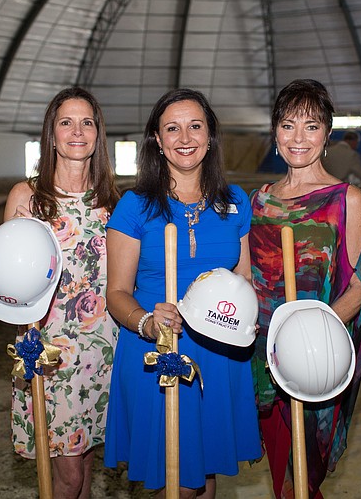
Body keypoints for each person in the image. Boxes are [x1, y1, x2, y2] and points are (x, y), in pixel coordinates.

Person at [103, 88, 261, 498]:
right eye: (172, 128)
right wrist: (147, 322)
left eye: (195, 126)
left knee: (205, 477)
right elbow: (117, 293)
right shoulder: (134, 206)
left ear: (210, 135)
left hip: (219, 350)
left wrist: (249, 316)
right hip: (159, 350)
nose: (185, 137)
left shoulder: (236, 202)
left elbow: (243, 276)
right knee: (175, 483)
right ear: (157, 139)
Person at [249, 79, 361, 498]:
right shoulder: (260, 201)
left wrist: (309, 333)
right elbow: (247, 275)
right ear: (275, 132)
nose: (298, 138)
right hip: (264, 358)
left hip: (313, 356)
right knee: (279, 473)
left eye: (311, 126)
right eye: (288, 125)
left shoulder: (347, 199)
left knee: (300, 483)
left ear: (326, 134)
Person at [3, 87, 120, 499]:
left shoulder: (114, 203)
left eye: (86, 122)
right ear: (51, 135)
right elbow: (6, 286)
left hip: (102, 349)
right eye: (66, 122)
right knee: (67, 477)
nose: (77, 131)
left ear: (97, 134)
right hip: (51, 352)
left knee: (85, 467)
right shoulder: (27, 197)